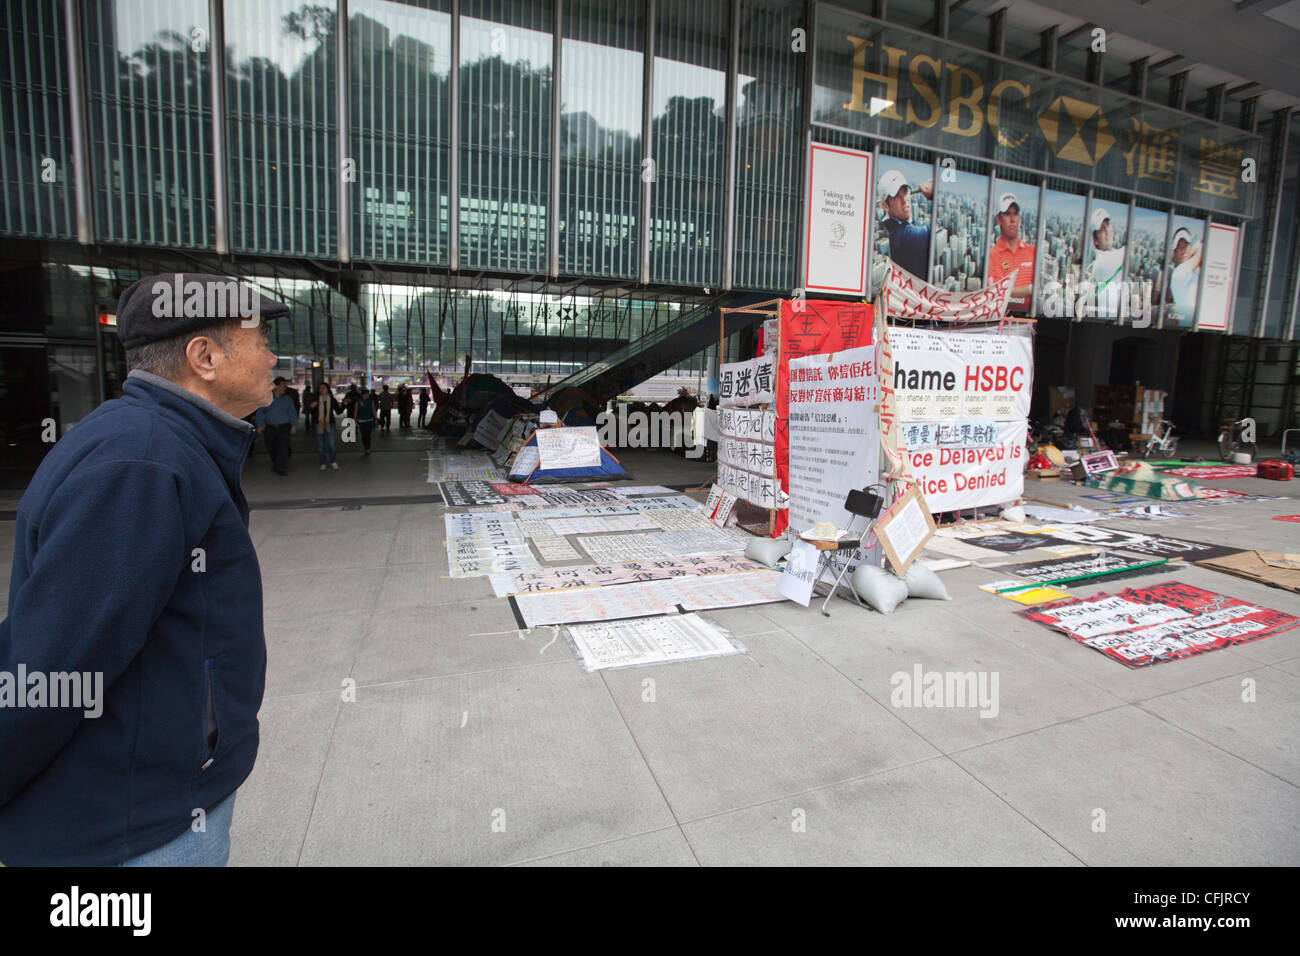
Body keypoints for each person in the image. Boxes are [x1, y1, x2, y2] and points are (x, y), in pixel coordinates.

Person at [0, 272, 289, 866]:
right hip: (133, 826)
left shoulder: (161, 442)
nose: (272, 355)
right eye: (260, 338)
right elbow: (53, 665)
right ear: (204, 357)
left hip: (153, 800)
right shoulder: (143, 463)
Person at [878, 168, 933, 280]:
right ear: (885, 206)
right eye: (897, 196)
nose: (905, 200)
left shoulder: (903, 226)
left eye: (906, 192)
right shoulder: (903, 235)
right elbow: (936, 234)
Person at [988, 192, 1035, 313]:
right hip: (1001, 320)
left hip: (1030, 321)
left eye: (1015, 214)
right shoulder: (993, 255)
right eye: (1008, 214)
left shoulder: (1032, 251)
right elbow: (999, 291)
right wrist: (1030, 290)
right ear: (999, 219)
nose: (1013, 219)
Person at [1087, 207, 1126, 319]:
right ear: (1095, 240)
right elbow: (1128, 252)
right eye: (1102, 228)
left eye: (1108, 225)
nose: (1108, 231)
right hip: (1108, 322)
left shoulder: (1114, 254)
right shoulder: (1101, 264)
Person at [254, 377, 297, 475]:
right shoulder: (267, 399)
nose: (285, 388)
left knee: (283, 447)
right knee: (271, 446)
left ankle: (281, 468)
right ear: (276, 386)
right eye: (283, 385)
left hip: (284, 426)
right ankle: (276, 463)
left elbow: (292, 412)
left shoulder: (287, 399)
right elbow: (260, 412)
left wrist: (293, 425)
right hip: (270, 427)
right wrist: (259, 425)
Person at [1167, 227, 1201, 324]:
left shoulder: (1194, 271)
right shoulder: (1178, 274)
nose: (1184, 250)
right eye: (1180, 247)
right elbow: (1200, 252)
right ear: (1174, 253)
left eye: (1186, 245)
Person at [309, 382, 343, 470]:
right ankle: (323, 462)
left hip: (330, 423)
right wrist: (312, 406)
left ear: (327, 389)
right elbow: (310, 411)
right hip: (318, 424)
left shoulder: (331, 399)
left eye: (323, 388)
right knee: (321, 444)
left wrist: (344, 404)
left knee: (331, 444)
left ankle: (333, 461)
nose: (321, 390)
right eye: (320, 388)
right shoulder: (316, 399)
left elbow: (338, 411)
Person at [356, 384, 377, 454]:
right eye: (365, 394)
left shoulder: (371, 401)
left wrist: (375, 419)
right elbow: (355, 412)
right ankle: (366, 447)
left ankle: (368, 448)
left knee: (368, 434)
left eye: (368, 394)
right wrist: (355, 420)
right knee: (363, 435)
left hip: (369, 420)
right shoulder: (358, 402)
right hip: (361, 420)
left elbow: (374, 410)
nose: (367, 395)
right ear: (362, 395)